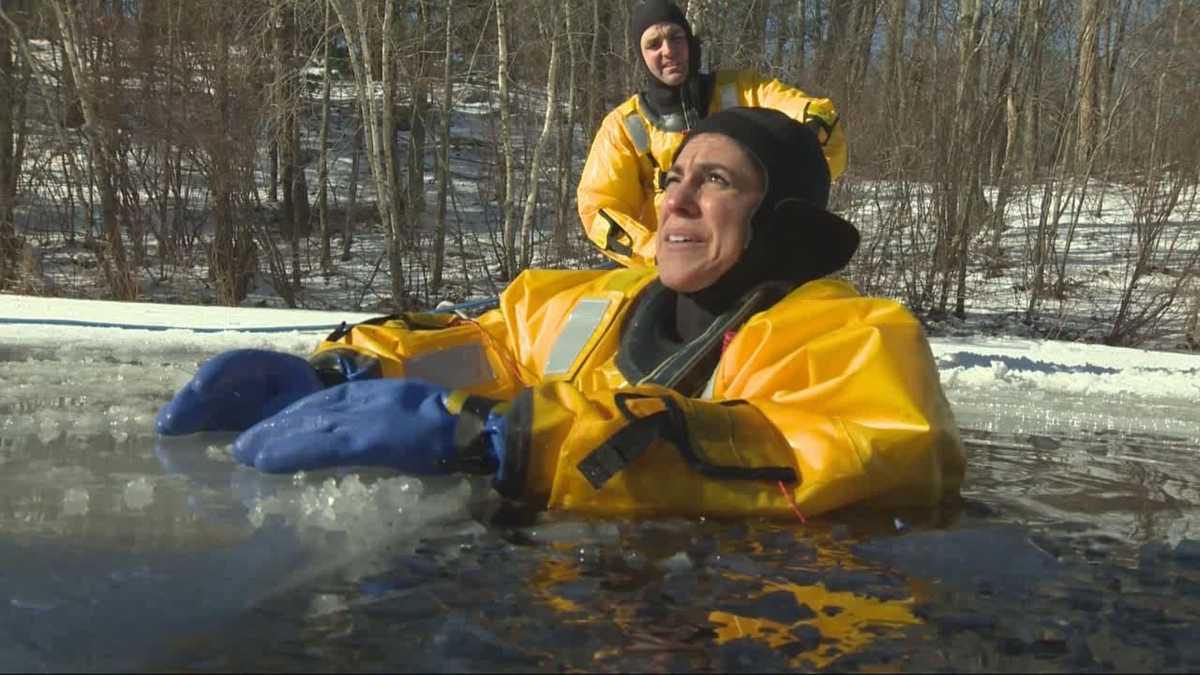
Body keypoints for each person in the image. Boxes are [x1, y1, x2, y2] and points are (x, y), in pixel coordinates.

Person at [157, 108, 963, 519]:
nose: (673, 197)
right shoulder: (592, 302)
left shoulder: (858, 338)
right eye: (671, 175)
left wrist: (512, 439)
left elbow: (830, 450)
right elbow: (485, 347)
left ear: (781, 221)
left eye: (715, 181)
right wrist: (347, 368)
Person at [577, 0, 848, 268]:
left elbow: (818, 118)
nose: (668, 50)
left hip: (749, 255)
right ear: (641, 56)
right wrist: (657, 251)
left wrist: (801, 155)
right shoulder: (623, 126)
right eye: (654, 44)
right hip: (666, 267)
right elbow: (598, 207)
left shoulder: (742, 91)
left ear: (691, 43)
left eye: (675, 37)